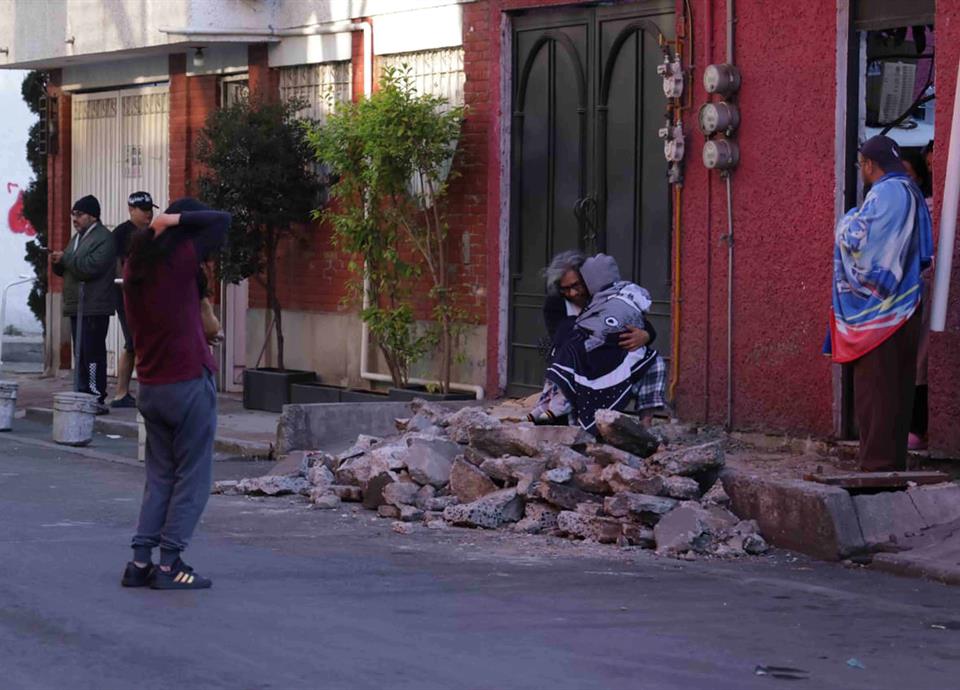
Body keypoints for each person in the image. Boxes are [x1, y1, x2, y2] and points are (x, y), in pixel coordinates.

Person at [120, 198, 231, 590]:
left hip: (151, 387)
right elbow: (222, 219)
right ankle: (169, 567)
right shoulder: (181, 261)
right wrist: (174, 219)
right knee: (192, 479)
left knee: (160, 476)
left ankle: (139, 562)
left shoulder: (134, 267)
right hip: (187, 385)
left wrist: (158, 226)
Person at [831, 135, 933, 471]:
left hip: (881, 313)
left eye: (861, 164)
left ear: (869, 164)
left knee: (875, 390)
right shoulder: (912, 191)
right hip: (907, 305)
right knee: (898, 390)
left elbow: (859, 241)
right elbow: (921, 252)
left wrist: (846, 219)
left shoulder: (886, 193)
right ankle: (892, 466)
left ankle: (875, 469)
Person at [529, 252, 666, 433]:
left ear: (587, 279)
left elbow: (638, 322)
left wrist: (645, 335)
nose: (573, 293)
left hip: (612, 356)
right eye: (565, 289)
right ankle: (566, 416)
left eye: (576, 285)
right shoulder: (556, 305)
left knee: (654, 362)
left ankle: (645, 427)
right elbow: (561, 338)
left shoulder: (605, 296)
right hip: (578, 359)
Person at [50, 195, 116, 413]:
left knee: (93, 353)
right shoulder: (77, 238)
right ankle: (81, 392)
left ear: (93, 216)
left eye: (79, 214)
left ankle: (96, 396)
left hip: (94, 306)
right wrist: (57, 262)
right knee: (80, 353)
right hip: (77, 305)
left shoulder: (104, 239)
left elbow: (89, 267)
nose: (74, 219)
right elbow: (70, 266)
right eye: (73, 214)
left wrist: (66, 259)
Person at [110, 191, 158, 408]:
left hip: (146, 296)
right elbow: (118, 266)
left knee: (137, 344)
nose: (148, 214)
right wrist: (126, 287)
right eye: (143, 210)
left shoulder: (151, 233)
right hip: (127, 296)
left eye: (150, 210)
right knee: (134, 343)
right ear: (131, 209)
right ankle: (123, 393)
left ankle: (127, 392)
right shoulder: (121, 234)